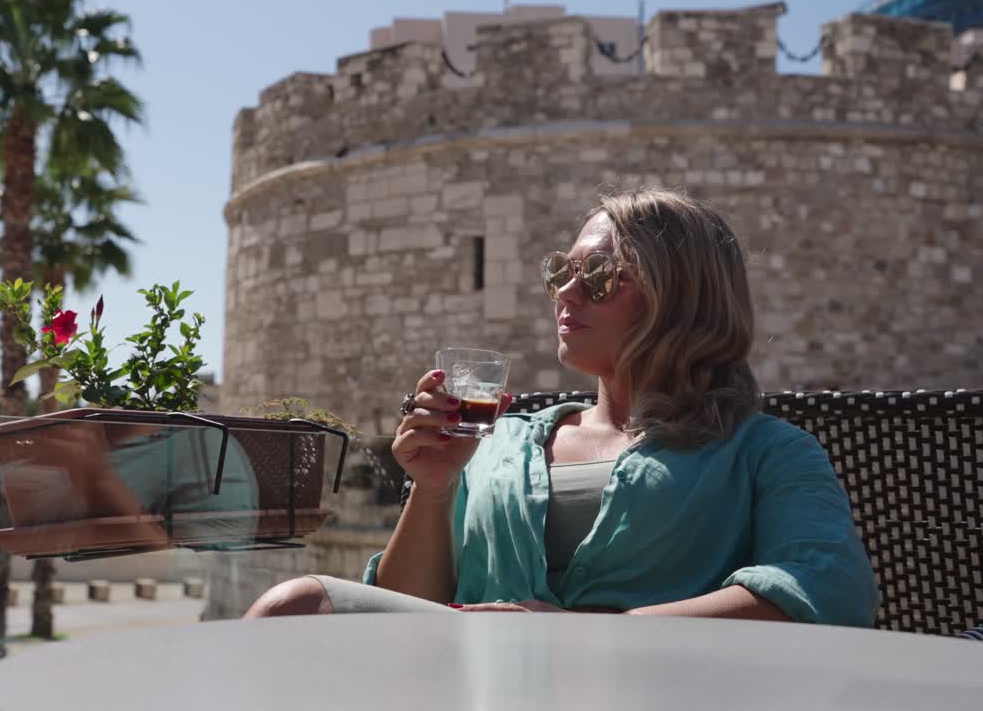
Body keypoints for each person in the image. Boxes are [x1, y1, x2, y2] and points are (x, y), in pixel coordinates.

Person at [244, 188, 880, 626]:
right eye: (560, 273)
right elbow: (410, 612)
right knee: (294, 608)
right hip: (471, 681)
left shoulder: (765, 452)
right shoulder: (500, 443)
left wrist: (587, 633)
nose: (565, 295)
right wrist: (434, 488)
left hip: (652, 688)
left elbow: (827, 591)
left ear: (681, 299)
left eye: (600, 277)